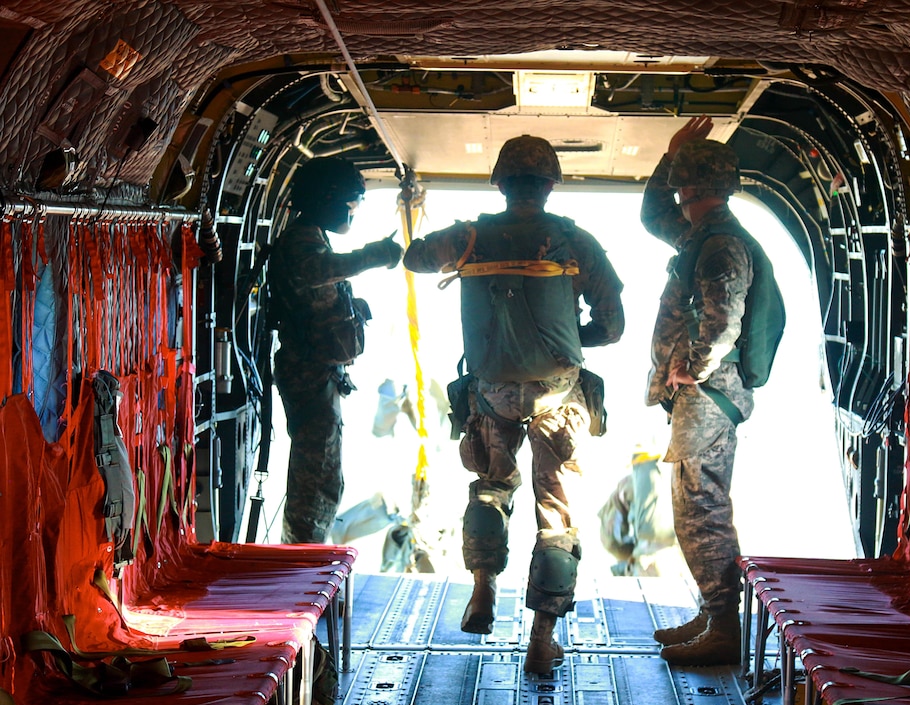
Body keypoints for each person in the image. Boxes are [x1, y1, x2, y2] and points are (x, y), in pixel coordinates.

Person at [403, 135, 624, 674]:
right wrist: (571, 337)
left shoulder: (468, 238)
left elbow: (412, 257)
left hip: (491, 391)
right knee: (556, 515)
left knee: (491, 486)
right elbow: (613, 326)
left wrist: (462, 245)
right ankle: (542, 638)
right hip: (558, 394)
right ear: (550, 185)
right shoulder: (575, 241)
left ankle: (483, 588)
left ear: (500, 183)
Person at [640, 116, 753, 666]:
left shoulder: (720, 244)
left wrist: (694, 369)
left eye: (679, 181)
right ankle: (714, 613)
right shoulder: (703, 235)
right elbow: (652, 216)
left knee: (699, 507)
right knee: (697, 503)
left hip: (708, 397)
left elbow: (723, 316)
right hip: (702, 397)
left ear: (689, 188)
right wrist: (673, 156)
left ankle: (724, 625)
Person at [268, 156, 404, 544]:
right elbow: (319, 271)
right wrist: (374, 255)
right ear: (328, 199)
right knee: (317, 476)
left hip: (318, 373)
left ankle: (305, 554)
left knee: (324, 472)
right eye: (351, 204)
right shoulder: (301, 240)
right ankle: (301, 560)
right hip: (308, 373)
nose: (353, 212)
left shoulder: (311, 236)